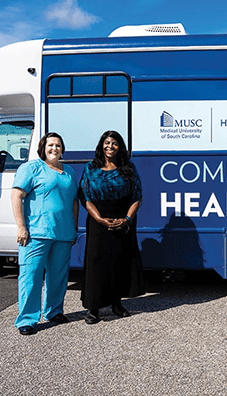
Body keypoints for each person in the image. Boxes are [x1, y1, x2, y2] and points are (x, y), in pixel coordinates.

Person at [11, 132, 78, 336]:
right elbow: (16, 195)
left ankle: (54, 311)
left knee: (58, 277)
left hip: (63, 233)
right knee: (30, 277)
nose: (54, 149)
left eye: (58, 145)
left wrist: (74, 226)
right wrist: (21, 226)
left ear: (62, 149)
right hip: (36, 233)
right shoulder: (32, 168)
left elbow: (74, 200)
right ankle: (28, 319)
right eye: (50, 145)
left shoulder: (69, 172)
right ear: (43, 147)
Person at [79, 130, 145, 324]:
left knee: (119, 262)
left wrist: (126, 219)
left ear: (120, 147)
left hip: (123, 220)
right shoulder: (90, 168)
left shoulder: (128, 168)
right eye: (107, 143)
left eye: (114, 143)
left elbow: (137, 197)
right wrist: (99, 219)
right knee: (96, 263)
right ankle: (93, 308)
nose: (110, 146)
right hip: (98, 220)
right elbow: (85, 197)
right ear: (101, 145)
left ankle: (116, 304)